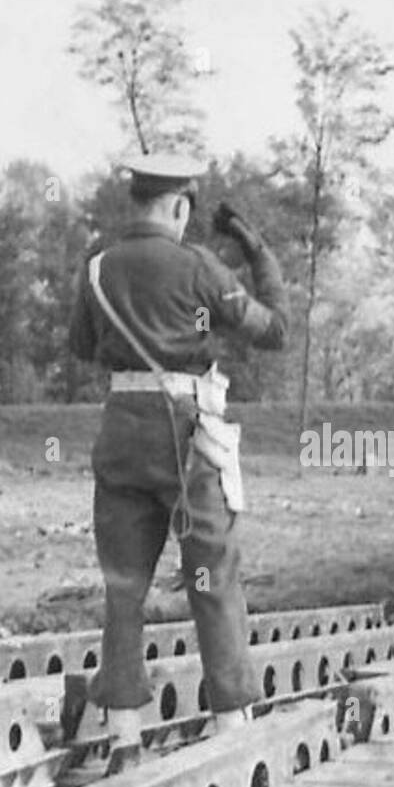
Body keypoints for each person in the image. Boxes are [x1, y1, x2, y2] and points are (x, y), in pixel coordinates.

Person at [68, 153, 288, 742]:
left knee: (123, 584)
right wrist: (258, 251)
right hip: (187, 433)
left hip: (121, 432)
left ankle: (121, 728)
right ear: (181, 207)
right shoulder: (199, 266)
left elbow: (83, 347)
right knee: (211, 573)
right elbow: (276, 332)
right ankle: (230, 717)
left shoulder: (96, 269)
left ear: (134, 203)